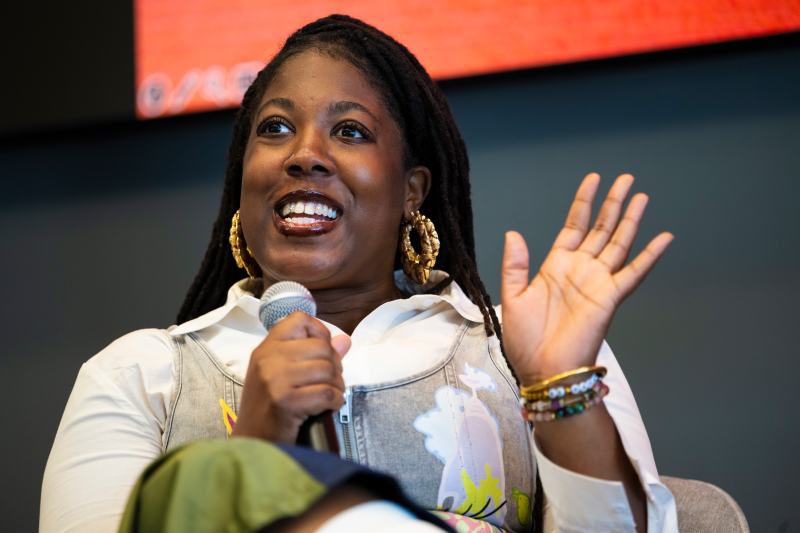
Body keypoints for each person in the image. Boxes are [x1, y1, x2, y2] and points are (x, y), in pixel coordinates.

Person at [41, 14, 679, 533]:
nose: (305, 156)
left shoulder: (515, 348)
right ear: (243, 181)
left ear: (412, 190)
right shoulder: (141, 375)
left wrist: (556, 389)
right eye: (276, 128)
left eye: (349, 131)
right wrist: (260, 444)